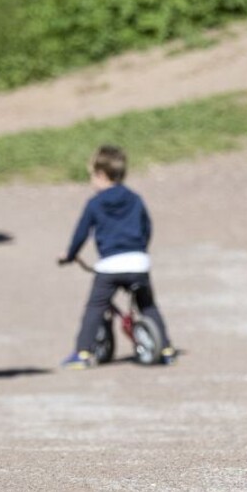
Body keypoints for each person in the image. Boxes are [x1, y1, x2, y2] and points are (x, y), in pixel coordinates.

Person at [57, 145, 175, 368]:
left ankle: (82, 353)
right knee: (147, 305)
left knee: (95, 307)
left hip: (110, 266)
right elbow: (147, 227)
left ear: (101, 174)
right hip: (138, 262)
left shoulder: (95, 203)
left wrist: (69, 255)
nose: (91, 180)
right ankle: (167, 349)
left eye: (91, 174)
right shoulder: (135, 199)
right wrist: (139, 249)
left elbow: (81, 233)